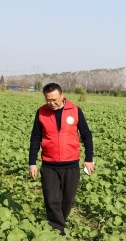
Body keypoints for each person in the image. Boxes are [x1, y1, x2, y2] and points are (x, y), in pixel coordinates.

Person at [28, 83, 94, 235]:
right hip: (49, 164)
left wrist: (89, 158)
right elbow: (35, 138)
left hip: (71, 164)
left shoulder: (75, 111)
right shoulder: (41, 113)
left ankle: (59, 222)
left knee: (67, 199)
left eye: (55, 99)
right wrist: (32, 163)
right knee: (51, 199)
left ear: (62, 96)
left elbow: (86, 135)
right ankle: (57, 230)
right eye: (48, 100)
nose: (51, 103)